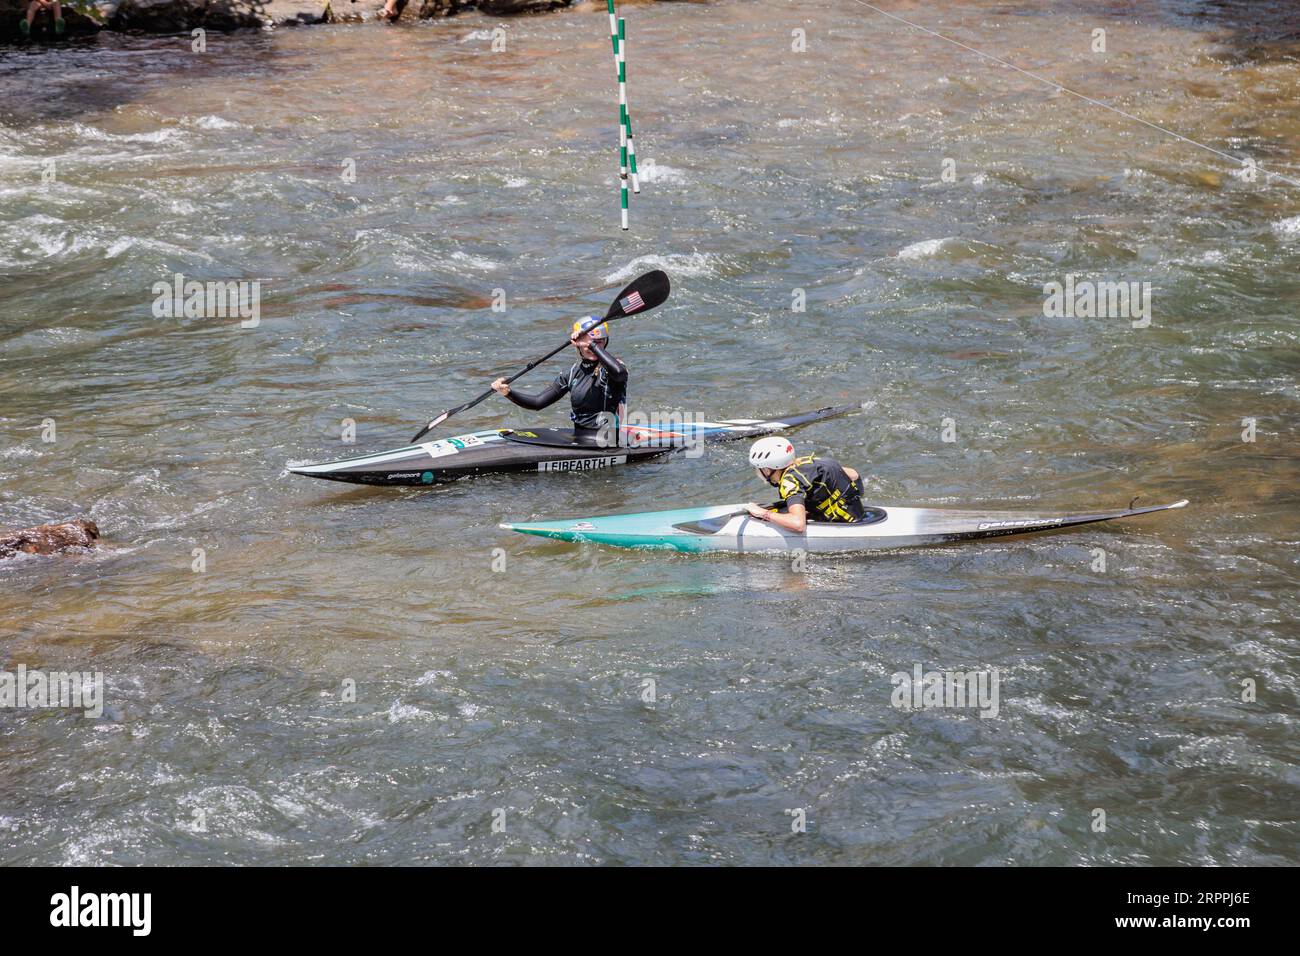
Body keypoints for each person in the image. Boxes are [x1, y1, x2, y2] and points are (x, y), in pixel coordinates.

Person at [489, 319, 628, 438]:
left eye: (599, 342)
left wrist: (590, 343)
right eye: (590, 342)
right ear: (578, 344)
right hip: (580, 437)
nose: (592, 346)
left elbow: (619, 373)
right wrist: (508, 392)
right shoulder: (571, 373)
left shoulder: (614, 368)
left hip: (608, 440)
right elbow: (538, 403)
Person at [745, 436, 865, 531]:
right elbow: (853, 475)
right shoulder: (809, 462)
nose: (757, 472)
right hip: (858, 513)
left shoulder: (789, 482)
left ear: (767, 469)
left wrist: (763, 513)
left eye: (758, 468)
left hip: (843, 524)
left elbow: (798, 524)